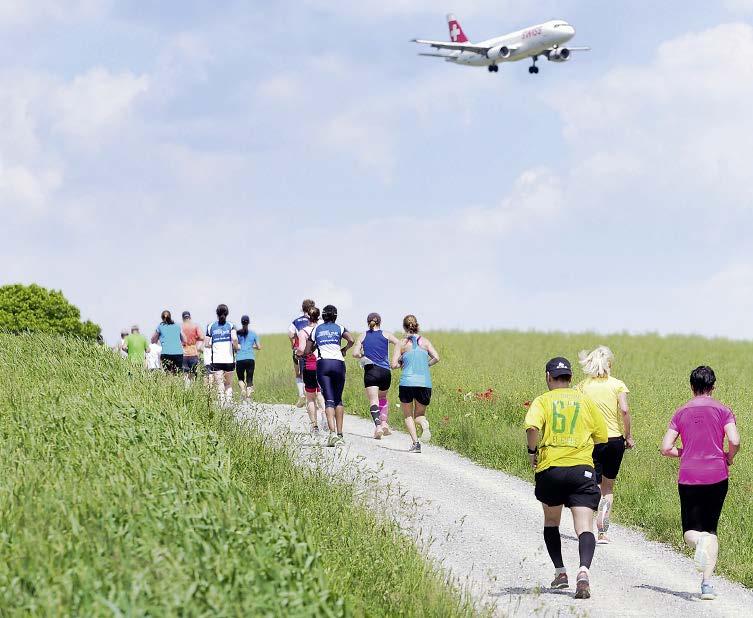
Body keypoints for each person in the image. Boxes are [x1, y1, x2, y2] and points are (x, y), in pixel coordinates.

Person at [525, 357, 608, 600]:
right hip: (581, 469)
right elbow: (601, 437)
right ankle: (583, 571)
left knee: (552, 521)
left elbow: (531, 428)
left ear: (548, 377)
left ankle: (561, 572)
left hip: (551, 468)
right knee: (584, 526)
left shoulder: (543, 400)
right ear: (570, 378)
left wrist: (532, 452)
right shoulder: (585, 400)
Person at [661, 366, 740, 601]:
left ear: (691, 386)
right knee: (710, 529)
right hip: (718, 474)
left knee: (690, 533)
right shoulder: (724, 410)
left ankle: (699, 542)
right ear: (713, 386)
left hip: (689, 475)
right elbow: (735, 439)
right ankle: (706, 585)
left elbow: (665, 448)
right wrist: (729, 456)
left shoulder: (681, 412)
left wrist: (685, 452)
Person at [576, 346, 634, 544]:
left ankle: (587, 528)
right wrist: (629, 436)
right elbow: (624, 410)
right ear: (609, 364)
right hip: (615, 440)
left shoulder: (582, 386)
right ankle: (603, 531)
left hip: (592, 440)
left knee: (593, 484)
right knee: (608, 488)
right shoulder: (617, 384)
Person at [305, 304, 354, 447]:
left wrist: (316, 346)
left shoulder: (316, 329)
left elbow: (308, 350)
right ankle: (340, 434)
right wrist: (344, 349)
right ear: (335, 316)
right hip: (339, 363)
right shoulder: (340, 327)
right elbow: (351, 340)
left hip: (323, 365)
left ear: (323, 316)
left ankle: (332, 434)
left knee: (329, 400)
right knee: (339, 399)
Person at [391, 315, 439, 453]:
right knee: (419, 416)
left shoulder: (401, 343)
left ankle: (416, 443)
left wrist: (401, 361)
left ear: (404, 327)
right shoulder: (425, 341)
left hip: (407, 382)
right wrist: (426, 365)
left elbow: (393, 364)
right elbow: (437, 357)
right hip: (424, 383)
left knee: (408, 415)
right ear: (417, 325)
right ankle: (424, 424)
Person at [353, 312, 400, 440]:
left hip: (371, 371)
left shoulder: (363, 336)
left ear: (368, 322)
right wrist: (396, 358)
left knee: (374, 400)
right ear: (380, 322)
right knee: (383, 397)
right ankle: (384, 423)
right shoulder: (387, 334)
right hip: (385, 372)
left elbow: (355, 353)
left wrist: (362, 355)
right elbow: (398, 343)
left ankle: (378, 427)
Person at [296, 307, 327, 434]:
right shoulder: (322, 329)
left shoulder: (303, 332)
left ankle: (314, 426)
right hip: (322, 364)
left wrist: (297, 353)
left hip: (309, 365)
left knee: (310, 397)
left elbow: (302, 349)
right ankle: (325, 417)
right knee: (320, 393)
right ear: (319, 316)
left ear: (307, 317)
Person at [205, 304, 239, 405]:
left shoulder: (210, 326)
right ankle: (229, 404)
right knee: (228, 384)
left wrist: (215, 343)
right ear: (227, 313)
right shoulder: (231, 325)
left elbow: (206, 344)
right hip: (229, 360)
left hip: (216, 360)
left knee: (219, 384)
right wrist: (236, 347)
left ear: (217, 313)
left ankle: (221, 404)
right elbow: (234, 339)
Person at [289, 299, 316, 408]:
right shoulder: (315, 320)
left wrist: (293, 343)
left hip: (298, 350)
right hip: (313, 351)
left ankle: (301, 395)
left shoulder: (296, 321)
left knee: (299, 373)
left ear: (302, 308)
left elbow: (290, 334)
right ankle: (315, 398)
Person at [236, 314, 261, 400]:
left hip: (239, 358)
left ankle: (243, 389)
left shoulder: (237, 333)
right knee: (249, 379)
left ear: (241, 322)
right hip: (250, 359)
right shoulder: (253, 334)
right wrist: (252, 346)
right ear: (248, 323)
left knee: (240, 378)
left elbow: (235, 344)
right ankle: (248, 396)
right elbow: (259, 347)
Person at [181, 311, 203, 381]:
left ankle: (186, 390)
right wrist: (195, 338)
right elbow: (202, 337)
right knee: (193, 374)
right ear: (190, 317)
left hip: (183, 352)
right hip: (193, 352)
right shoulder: (195, 326)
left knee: (185, 375)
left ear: (183, 318)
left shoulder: (180, 327)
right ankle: (192, 390)